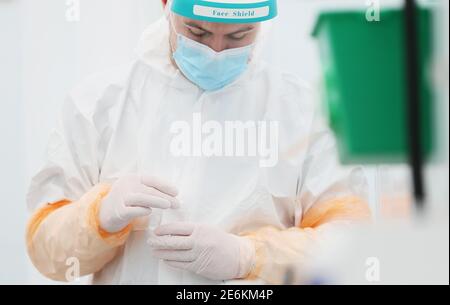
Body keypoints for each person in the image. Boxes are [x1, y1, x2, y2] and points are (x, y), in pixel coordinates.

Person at [25, 0, 371, 284]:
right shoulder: (98, 104)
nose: (217, 51)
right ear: (166, 7)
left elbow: (349, 246)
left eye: (238, 36)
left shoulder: (304, 112)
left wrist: (248, 258)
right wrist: (99, 215)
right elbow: (46, 251)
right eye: (198, 32)